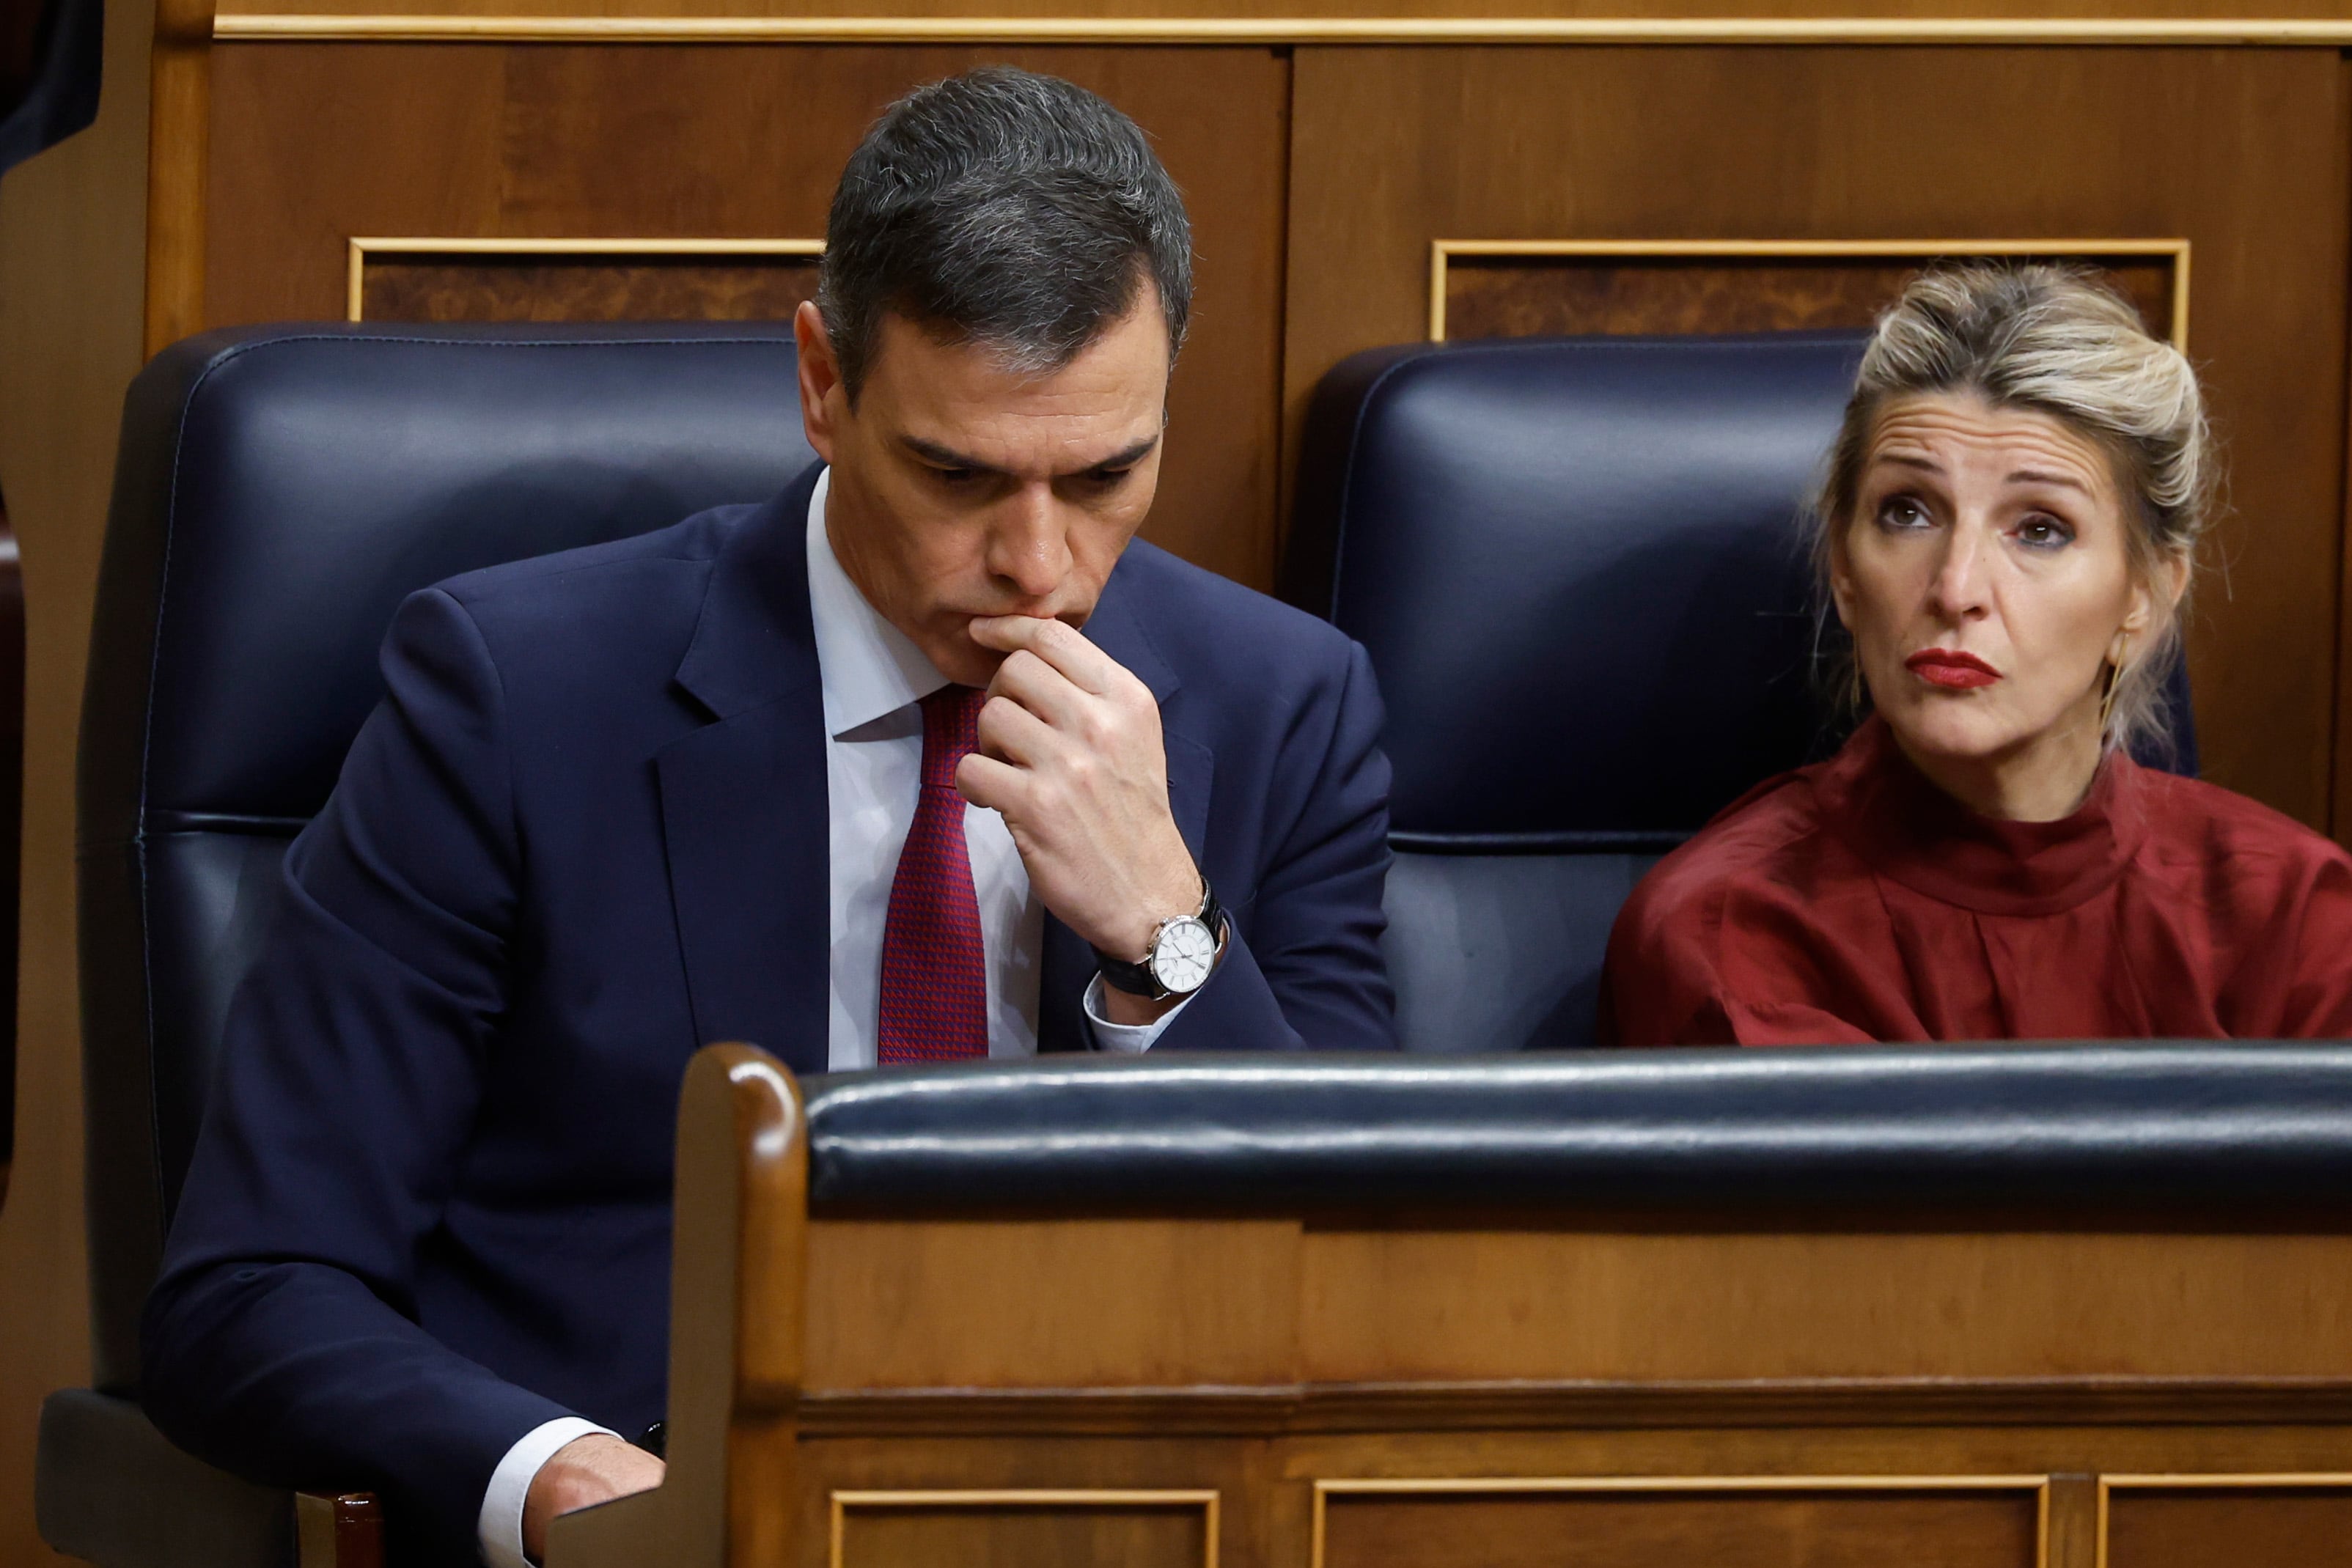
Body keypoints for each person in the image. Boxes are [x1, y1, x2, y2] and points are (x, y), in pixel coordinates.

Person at [141, 67, 1394, 1568]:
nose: (1037, 564)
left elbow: (1359, 1286)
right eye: (956, 474)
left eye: (1105, 473)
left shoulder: (1282, 703)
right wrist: (550, 1476)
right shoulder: (517, 697)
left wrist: (1163, 938)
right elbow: (251, 1287)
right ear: (820, 381)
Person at [1602, 263, 2352, 1046]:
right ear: (1845, 572)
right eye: (1907, 512)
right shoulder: (1728, 938)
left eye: (2039, 529)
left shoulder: (2296, 913)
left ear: (2146, 596)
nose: (1956, 588)